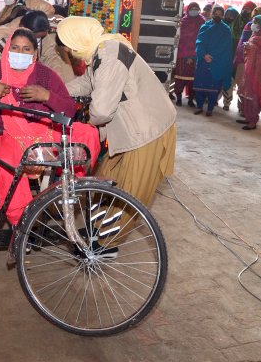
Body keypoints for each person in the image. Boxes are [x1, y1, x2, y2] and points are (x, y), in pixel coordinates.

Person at [0, 28, 100, 226]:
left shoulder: (46, 75)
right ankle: (23, 223)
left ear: (35, 54)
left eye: (26, 49)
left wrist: (47, 96)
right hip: (13, 136)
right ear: (8, 50)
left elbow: (69, 110)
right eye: (15, 48)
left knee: (88, 133)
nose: (20, 53)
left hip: (47, 132)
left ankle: (70, 188)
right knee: (5, 161)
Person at [58, 17, 176, 248]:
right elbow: (88, 83)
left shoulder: (110, 55)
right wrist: (56, 91)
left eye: (64, 44)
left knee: (130, 195)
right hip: (128, 132)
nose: (65, 50)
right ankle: (98, 230)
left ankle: (105, 245)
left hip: (146, 132)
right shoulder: (100, 51)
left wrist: (86, 124)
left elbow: (101, 111)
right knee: (104, 183)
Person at [193, 5, 232, 116]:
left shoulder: (226, 30)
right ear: (211, 14)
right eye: (215, 14)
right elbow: (199, 42)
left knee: (214, 87)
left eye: (220, 14)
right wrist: (204, 55)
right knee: (200, 86)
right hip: (203, 60)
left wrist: (212, 56)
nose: (217, 16)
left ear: (223, 16)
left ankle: (210, 109)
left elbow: (225, 47)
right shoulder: (204, 26)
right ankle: (199, 106)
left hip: (217, 62)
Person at [222, 1, 256, 111]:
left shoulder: (254, 26)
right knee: (229, 80)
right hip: (231, 56)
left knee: (243, 83)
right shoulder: (233, 23)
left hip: (246, 59)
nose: (245, 11)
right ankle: (226, 102)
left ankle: (242, 106)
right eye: (244, 8)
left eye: (248, 9)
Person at [174, 3, 205, 107]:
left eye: (197, 9)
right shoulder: (183, 22)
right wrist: (187, 55)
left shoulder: (202, 22)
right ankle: (178, 98)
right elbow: (179, 39)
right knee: (180, 78)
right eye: (192, 8)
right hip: (182, 55)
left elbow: (203, 41)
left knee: (193, 79)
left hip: (196, 56)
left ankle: (191, 99)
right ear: (188, 10)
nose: (194, 10)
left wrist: (193, 56)